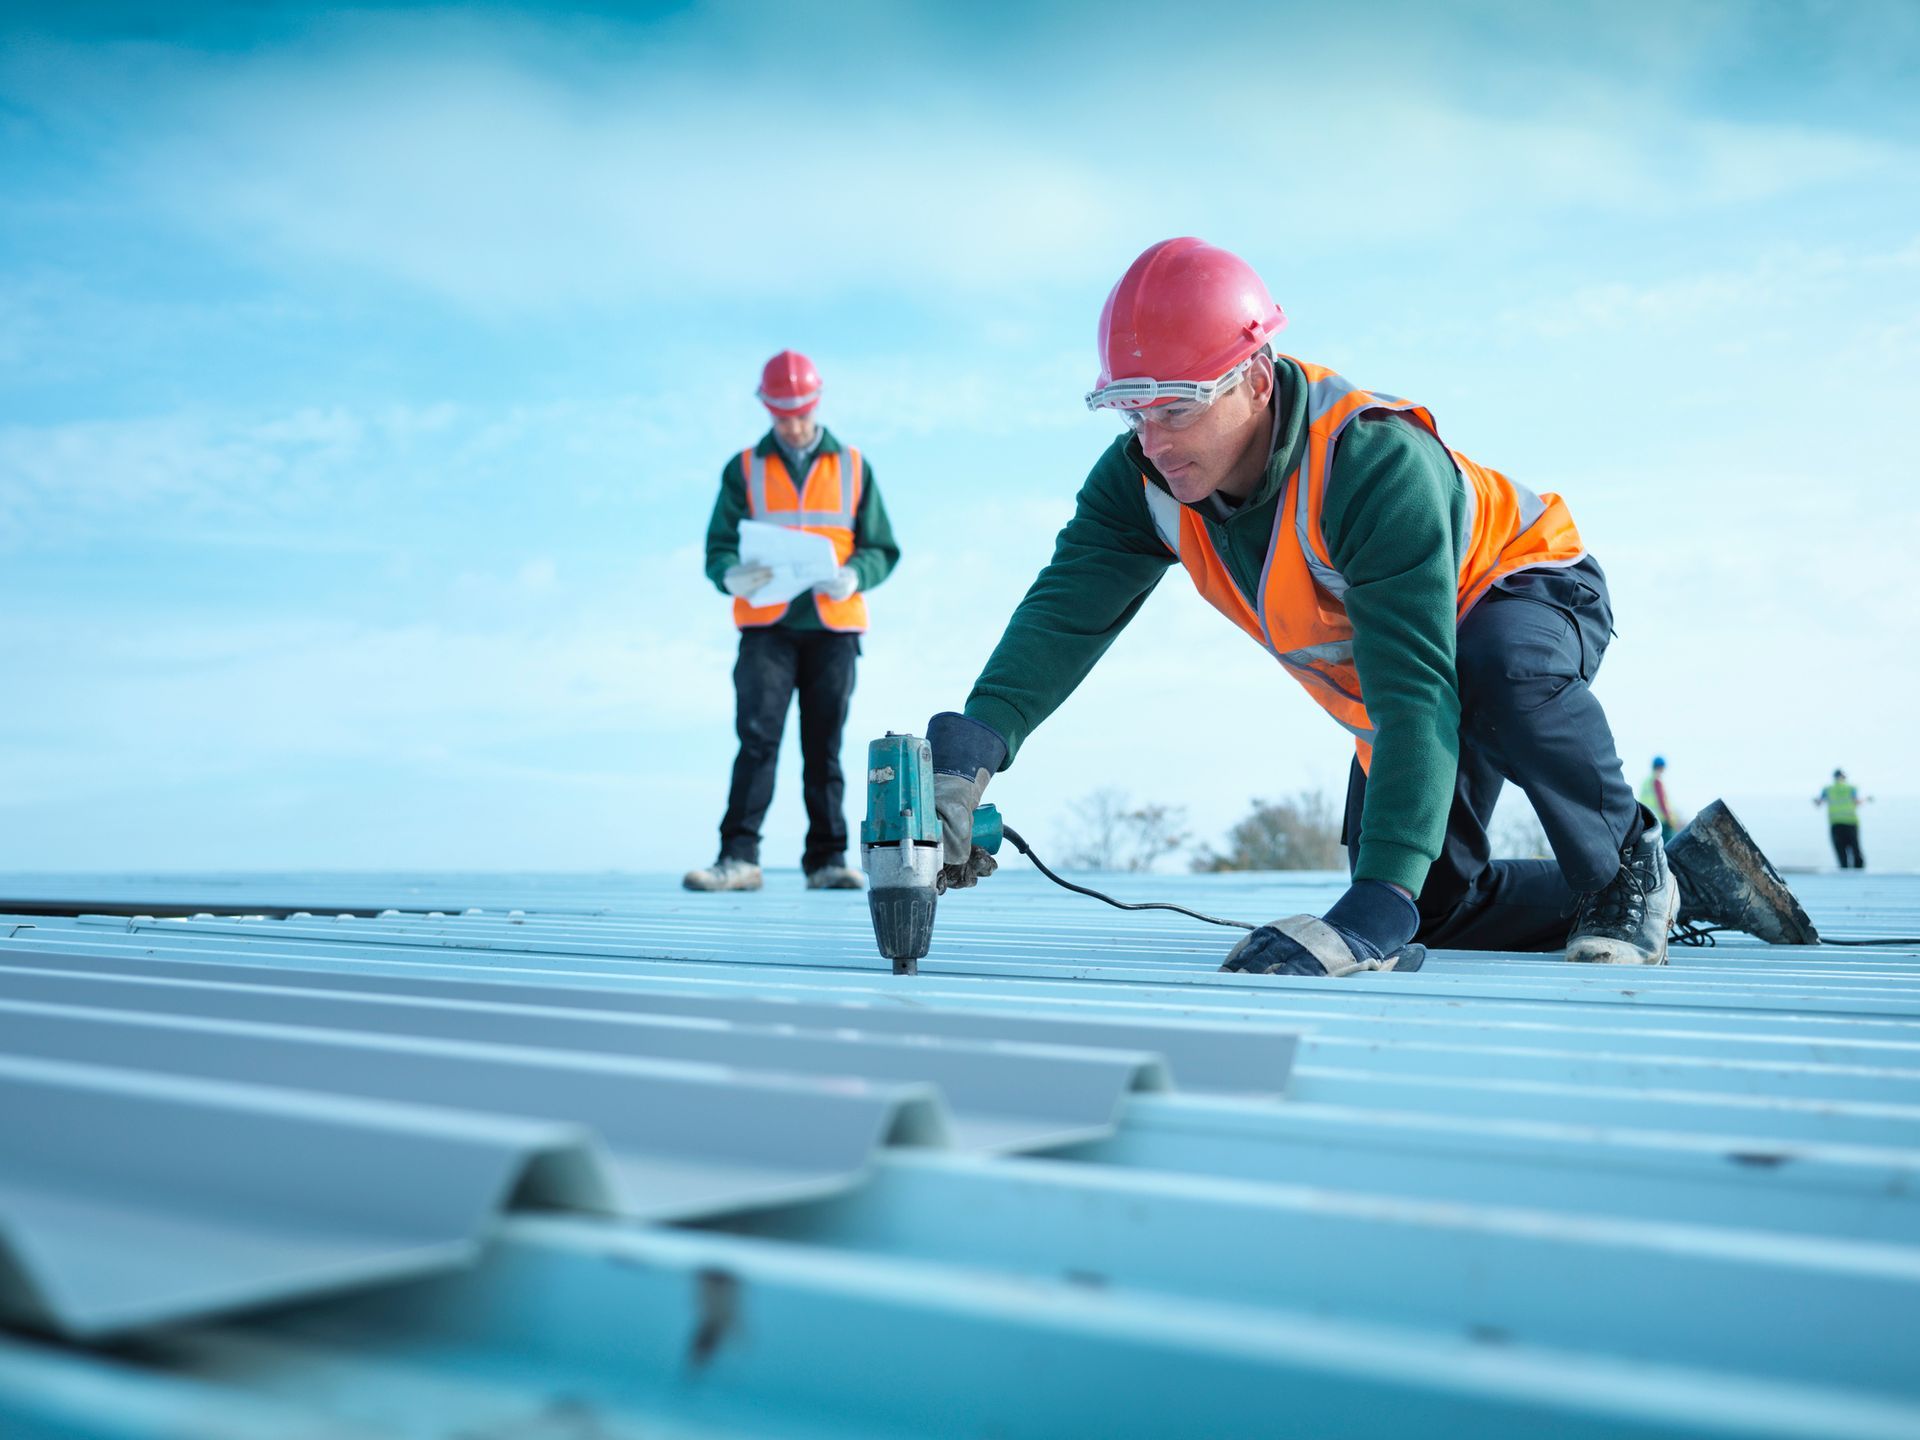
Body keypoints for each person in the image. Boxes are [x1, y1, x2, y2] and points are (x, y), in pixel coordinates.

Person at [922, 237, 1800, 974]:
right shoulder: (1143, 482)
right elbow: (1062, 616)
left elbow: (1417, 688)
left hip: (1526, 589)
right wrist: (975, 745)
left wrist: (1370, 912)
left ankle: (1627, 868)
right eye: (1128, 409)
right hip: (1417, 664)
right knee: (1433, 903)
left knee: (1492, 677)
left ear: (1256, 379)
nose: (1152, 439)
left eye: (1178, 406)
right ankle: (1690, 876)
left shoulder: (1369, 463)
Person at [683, 350, 899, 893]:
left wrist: (856, 573)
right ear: (768, 409)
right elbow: (718, 547)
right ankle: (738, 858)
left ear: (816, 403)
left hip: (834, 625)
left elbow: (883, 547)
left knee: (823, 744)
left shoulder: (852, 464)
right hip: (767, 626)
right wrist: (728, 573)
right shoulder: (744, 469)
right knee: (757, 739)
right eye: (783, 415)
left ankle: (827, 860)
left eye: (801, 413)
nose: (794, 425)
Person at [1815, 768, 1870, 870]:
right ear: (1844, 777)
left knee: (1840, 849)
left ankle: (1844, 869)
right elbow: (1857, 801)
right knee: (1855, 848)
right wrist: (1867, 799)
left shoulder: (1828, 789)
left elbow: (1819, 802)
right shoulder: (1850, 788)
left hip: (1836, 823)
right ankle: (1859, 870)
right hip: (1851, 822)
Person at [1639, 757, 1682, 842]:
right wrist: (1670, 819)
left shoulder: (1647, 780)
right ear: (1661, 767)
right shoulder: (1657, 780)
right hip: (1660, 821)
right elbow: (1662, 802)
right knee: (1668, 846)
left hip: (1647, 820)